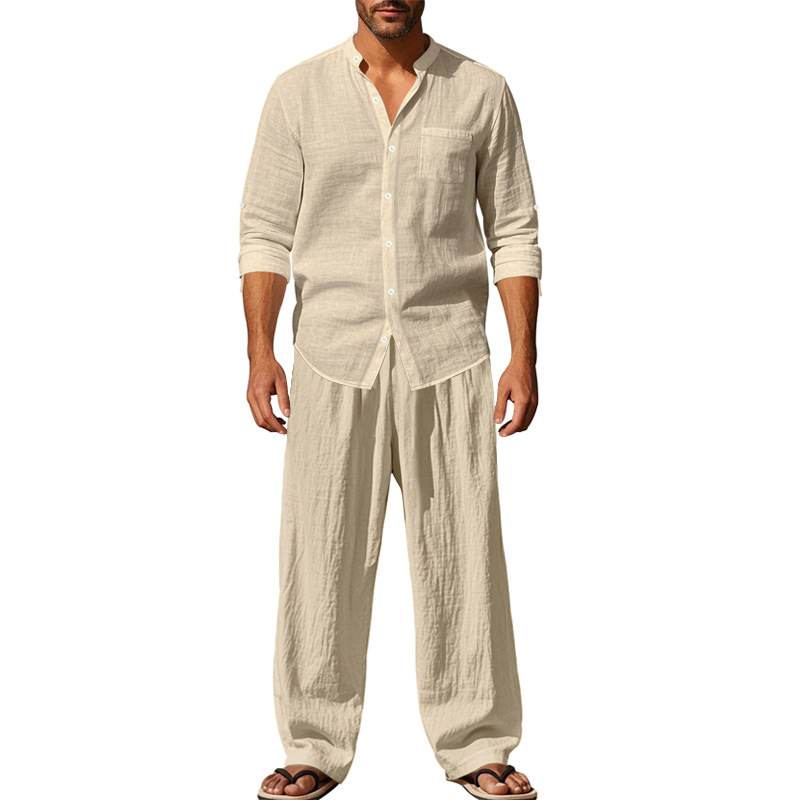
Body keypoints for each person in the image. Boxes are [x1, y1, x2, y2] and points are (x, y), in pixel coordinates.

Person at [238, 3, 542, 798]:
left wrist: (524, 354)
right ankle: (312, 743)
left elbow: (513, 230)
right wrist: (261, 351)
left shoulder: (482, 92)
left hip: (449, 357)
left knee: (464, 556)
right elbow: (265, 232)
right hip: (332, 357)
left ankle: (478, 743)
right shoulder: (297, 94)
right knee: (319, 555)